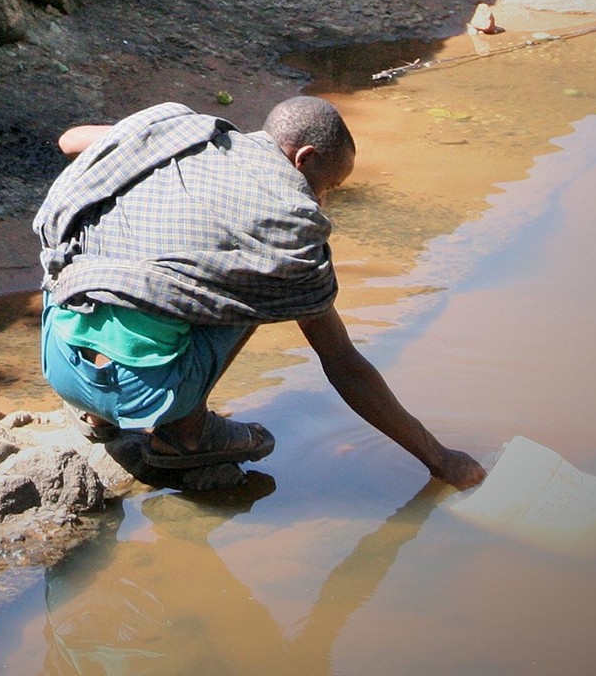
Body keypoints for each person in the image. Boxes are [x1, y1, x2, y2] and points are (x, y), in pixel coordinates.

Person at [35, 97, 486, 490]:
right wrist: (440, 459)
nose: (322, 202)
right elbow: (343, 363)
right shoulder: (285, 233)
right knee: (259, 283)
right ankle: (184, 436)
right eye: (328, 187)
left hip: (58, 358)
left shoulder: (181, 132)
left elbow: (71, 140)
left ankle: (94, 415)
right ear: (303, 159)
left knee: (117, 254)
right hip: (137, 393)